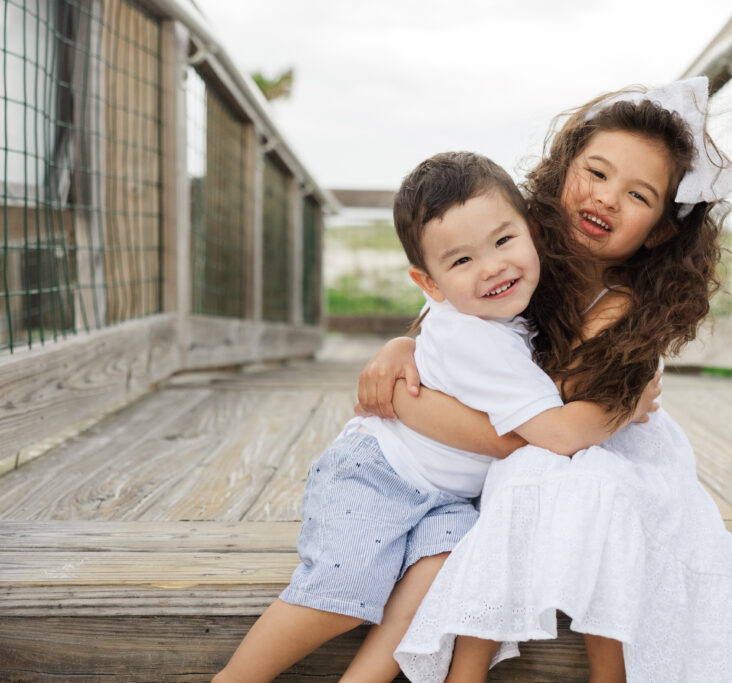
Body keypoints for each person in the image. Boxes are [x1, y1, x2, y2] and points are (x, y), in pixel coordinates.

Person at [356, 78, 732, 682]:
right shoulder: (517, 247)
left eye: (638, 195)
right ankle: (465, 670)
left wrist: (618, 410)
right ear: (564, 167)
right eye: (595, 173)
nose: (606, 198)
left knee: (574, 478)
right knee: (531, 471)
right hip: (548, 436)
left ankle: (611, 670)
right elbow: (453, 324)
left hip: (607, 442)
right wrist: (399, 345)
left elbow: (571, 423)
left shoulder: (625, 306)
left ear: (659, 229)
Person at [212, 152, 657, 683]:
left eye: (502, 241)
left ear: (533, 233)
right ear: (430, 284)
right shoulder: (477, 337)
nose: (492, 267)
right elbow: (557, 435)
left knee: (430, 590)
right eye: (462, 261)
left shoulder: (499, 321)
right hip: (379, 478)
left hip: (444, 499)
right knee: (342, 593)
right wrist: (626, 407)